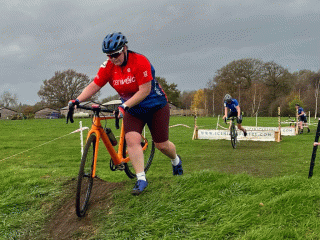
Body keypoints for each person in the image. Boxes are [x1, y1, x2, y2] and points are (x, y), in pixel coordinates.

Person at [69, 32, 183, 196]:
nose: (113, 59)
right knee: (131, 139)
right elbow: (95, 85)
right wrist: (77, 100)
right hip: (133, 108)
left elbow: (144, 91)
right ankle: (141, 179)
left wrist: (124, 106)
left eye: (115, 54)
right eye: (109, 55)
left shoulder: (140, 61)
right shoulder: (108, 65)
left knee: (161, 145)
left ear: (124, 49)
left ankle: (175, 160)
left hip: (155, 105)